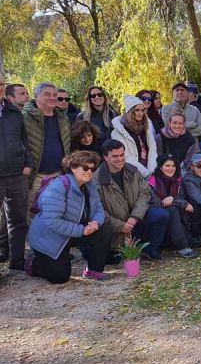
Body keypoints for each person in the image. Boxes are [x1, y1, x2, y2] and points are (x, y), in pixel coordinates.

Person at [26, 150, 113, 283]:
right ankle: (34, 263)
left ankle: (93, 270)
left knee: (104, 227)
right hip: (50, 237)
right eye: (85, 168)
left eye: (92, 168)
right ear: (72, 168)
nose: (89, 172)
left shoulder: (90, 186)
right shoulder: (58, 187)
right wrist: (81, 230)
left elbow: (99, 210)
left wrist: (96, 222)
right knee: (60, 278)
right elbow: (53, 221)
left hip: (72, 232)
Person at [96, 139, 169, 259]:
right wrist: (119, 225)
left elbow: (145, 194)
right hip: (114, 224)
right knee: (111, 258)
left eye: (122, 155)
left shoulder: (133, 171)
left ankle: (151, 248)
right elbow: (98, 209)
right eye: (115, 156)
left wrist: (135, 217)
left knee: (161, 215)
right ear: (105, 157)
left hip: (136, 217)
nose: (120, 159)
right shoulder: (96, 179)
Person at [0, 76, 32, 272]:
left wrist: (28, 163)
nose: (0, 88)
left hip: (17, 174)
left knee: (18, 221)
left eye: (1, 84)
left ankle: (17, 265)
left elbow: (24, 139)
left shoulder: (14, 111)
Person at [22, 82, 71, 206]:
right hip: (36, 177)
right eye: (47, 94)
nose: (52, 98)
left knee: (56, 211)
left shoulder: (62, 117)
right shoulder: (24, 117)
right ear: (36, 96)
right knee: (33, 214)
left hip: (59, 174)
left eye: (55, 95)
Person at [147, 154, 199, 257]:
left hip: (176, 222)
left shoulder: (178, 181)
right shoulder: (151, 182)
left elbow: (181, 199)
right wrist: (180, 202)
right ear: (160, 167)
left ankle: (182, 242)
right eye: (167, 166)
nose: (171, 169)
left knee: (191, 243)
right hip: (157, 221)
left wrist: (174, 200)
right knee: (172, 209)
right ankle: (182, 247)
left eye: (173, 166)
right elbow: (158, 203)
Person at [111, 95, 158, 178]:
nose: (140, 113)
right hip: (131, 171)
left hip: (149, 169)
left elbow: (152, 149)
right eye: (137, 110)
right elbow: (126, 156)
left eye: (142, 110)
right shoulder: (118, 131)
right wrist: (146, 173)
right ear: (130, 111)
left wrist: (151, 170)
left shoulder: (145, 126)